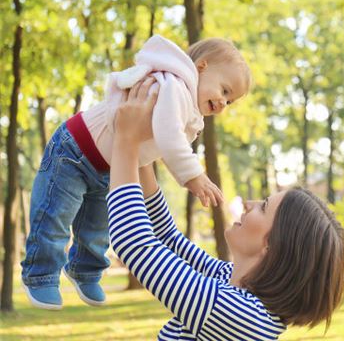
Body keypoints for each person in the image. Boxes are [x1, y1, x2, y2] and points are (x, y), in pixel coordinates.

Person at [21, 35, 251, 310]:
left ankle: (85, 271)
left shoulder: (190, 111)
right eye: (224, 90)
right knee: (55, 215)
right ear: (201, 66)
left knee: (97, 226)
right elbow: (168, 136)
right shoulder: (175, 87)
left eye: (231, 101)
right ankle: (40, 274)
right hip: (75, 149)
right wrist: (194, 175)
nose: (224, 103)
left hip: (105, 166)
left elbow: (155, 149)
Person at [107, 78, 344, 340]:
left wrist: (126, 140)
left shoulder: (240, 315)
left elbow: (135, 244)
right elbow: (166, 237)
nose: (249, 203)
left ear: (272, 245)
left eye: (264, 207)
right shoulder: (233, 283)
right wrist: (143, 149)